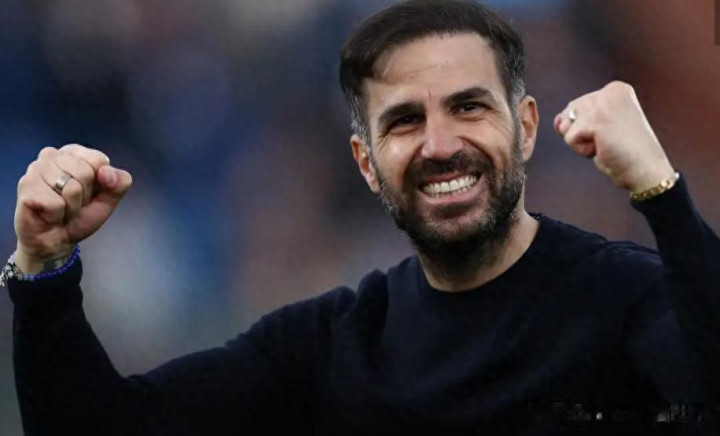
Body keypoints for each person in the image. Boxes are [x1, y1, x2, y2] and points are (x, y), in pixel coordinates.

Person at [3, 0, 719, 434]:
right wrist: (44, 272)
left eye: (469, 107)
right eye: (404, 120)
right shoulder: (330, 347)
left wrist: (660, 191)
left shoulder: (626, 297)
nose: (440, 144)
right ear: (367, 161)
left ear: (525, 127)